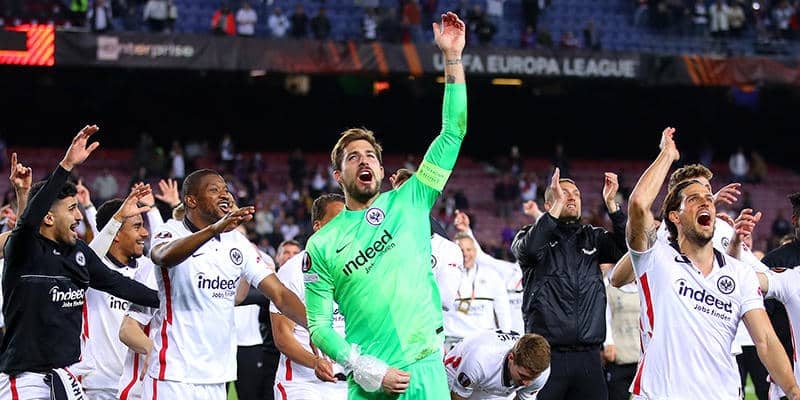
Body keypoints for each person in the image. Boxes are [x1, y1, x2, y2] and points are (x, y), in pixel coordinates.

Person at [303, 11, 467, 399]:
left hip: (426, 370)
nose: (364, 160)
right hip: (372, 381)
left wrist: (452, 58)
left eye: (370, 155)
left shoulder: (411, 198)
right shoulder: (321, 245)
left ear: (380, 168)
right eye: (353, 157)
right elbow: (319, 326)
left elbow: (452, 132)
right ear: (338, 175)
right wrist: (363, 366)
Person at [625, 126, 800, 399]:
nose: (706, 202)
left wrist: (793, 391)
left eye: (709, 198)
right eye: (693, 199)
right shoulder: (655, 257)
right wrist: (667, 155)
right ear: (675, 216)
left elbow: (765, 341)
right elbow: (638, 204)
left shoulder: (739, 273)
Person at [0, 125, 159, 400]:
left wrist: (171, 299)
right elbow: (27, 223)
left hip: (66, 376)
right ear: (48, 217)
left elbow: (120, 285)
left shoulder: (78, 254)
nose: (78, 217)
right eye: (72, 209)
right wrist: (66, 165)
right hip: (25, 380)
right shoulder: (25, 251)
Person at [142, 168, 308, 399]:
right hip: (173, 374)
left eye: (226, 190)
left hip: (218, 375)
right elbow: (163, 256)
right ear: (191, 200)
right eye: (214, 190)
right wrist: (215, 229)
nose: (225, 194)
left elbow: (279, 293)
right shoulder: (171, 231)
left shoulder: (237, 242)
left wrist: (316, 328)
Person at [511, 168, 627, 400]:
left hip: (589, 357)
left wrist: (612, 206)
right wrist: (554, 211)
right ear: (549, 205)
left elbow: (626, 249)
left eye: (576, 194)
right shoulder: (528, 237)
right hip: (545, 356)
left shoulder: (593, 237)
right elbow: (530, 250)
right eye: (563, 194)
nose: (572, 197)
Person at [77, 185, 163, 400]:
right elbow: (93, 250)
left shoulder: (149, 269)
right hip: (98, 386)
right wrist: (91, 208)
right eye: (137, 227)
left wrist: (154, 210)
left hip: (140, 384)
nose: (145, 233)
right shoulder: (89, 271)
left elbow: (165, 247)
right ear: (115, 234)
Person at [270, 193, 348, 400]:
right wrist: (315, 362)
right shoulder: (293, 270)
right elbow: (282, 336)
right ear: (318, 226)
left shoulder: (359, 268)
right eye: (336, 221)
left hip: (351, 384)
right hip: (303, 384)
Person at [445, 330, 551, 400]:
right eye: (523, 376)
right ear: (511, 358)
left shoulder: (542, 372)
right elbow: (457, 396)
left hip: (492, 384)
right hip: (455, 373)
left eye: (533, 378)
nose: (527, 383)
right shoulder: (480, 360)